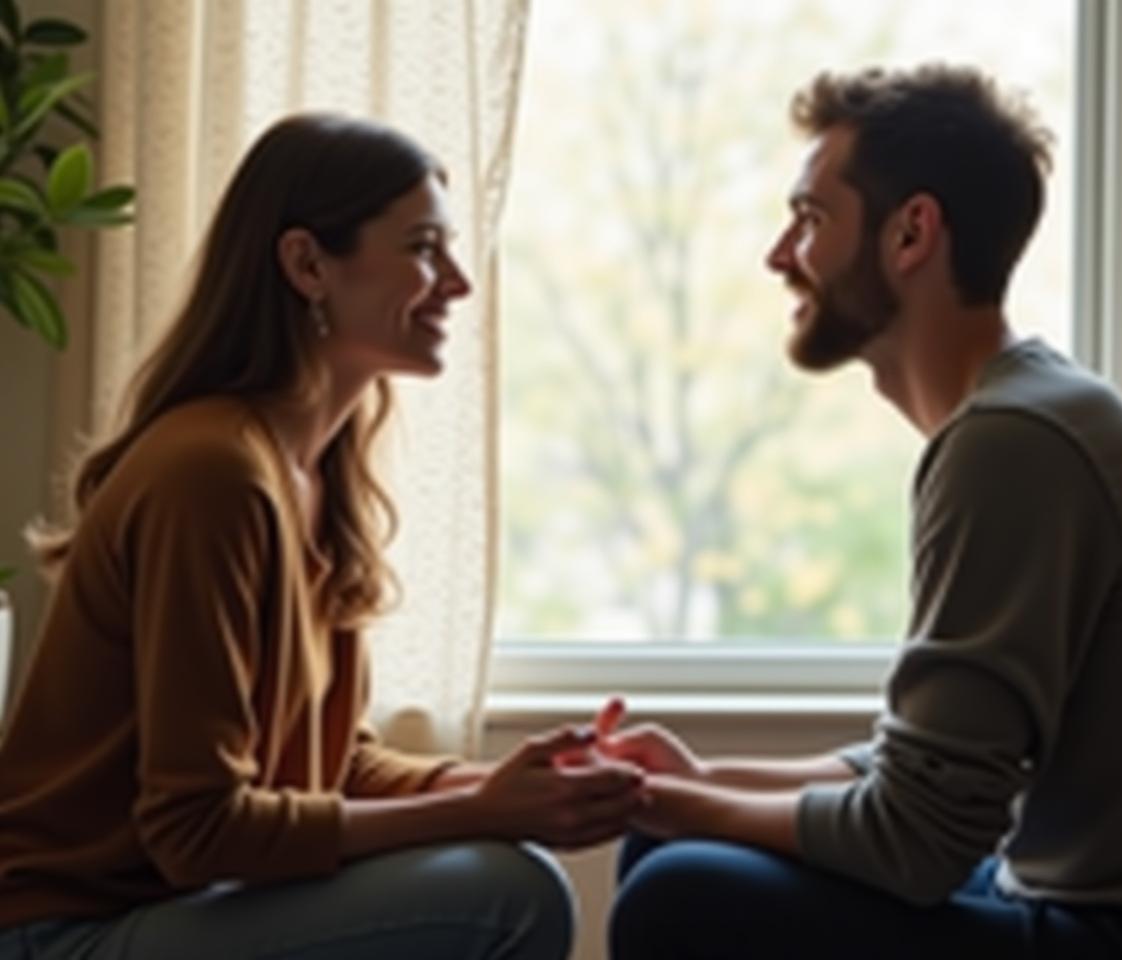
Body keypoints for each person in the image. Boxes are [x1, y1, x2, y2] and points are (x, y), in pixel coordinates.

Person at [600, 64, 1122, 959]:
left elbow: (916, 842)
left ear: (911, 233)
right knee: (674, 844)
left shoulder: (1014, 443)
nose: (778, 254)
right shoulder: (1022, 413)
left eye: (809, 219)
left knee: (679, 894)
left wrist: (657, 800)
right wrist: (698, 782)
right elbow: (927, 766)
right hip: (1081, 897)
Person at [0, 114, 644, 960]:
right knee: (511, 894)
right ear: (308, 264)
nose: (458, 283)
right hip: (63, 933)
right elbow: (196, 830)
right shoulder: (213, 475)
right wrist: (480, 811)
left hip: (176, 906)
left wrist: (513, 786)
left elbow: (335, 765)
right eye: (423, 248)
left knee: (502, 862)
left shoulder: (314, 470)